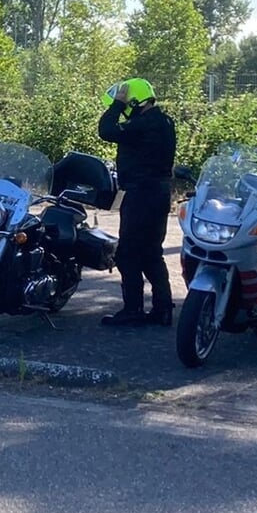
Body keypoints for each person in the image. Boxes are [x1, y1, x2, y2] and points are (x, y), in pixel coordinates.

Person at [97, 78, 178, 328]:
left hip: (141, 195)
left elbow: (106, 130)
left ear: (134, 102)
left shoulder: (142, 124)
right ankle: (163, 308)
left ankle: (133, 309)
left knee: (128, 253)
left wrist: (117, 106)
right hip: (159, 193)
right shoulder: (164, 121)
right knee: (152, 252)